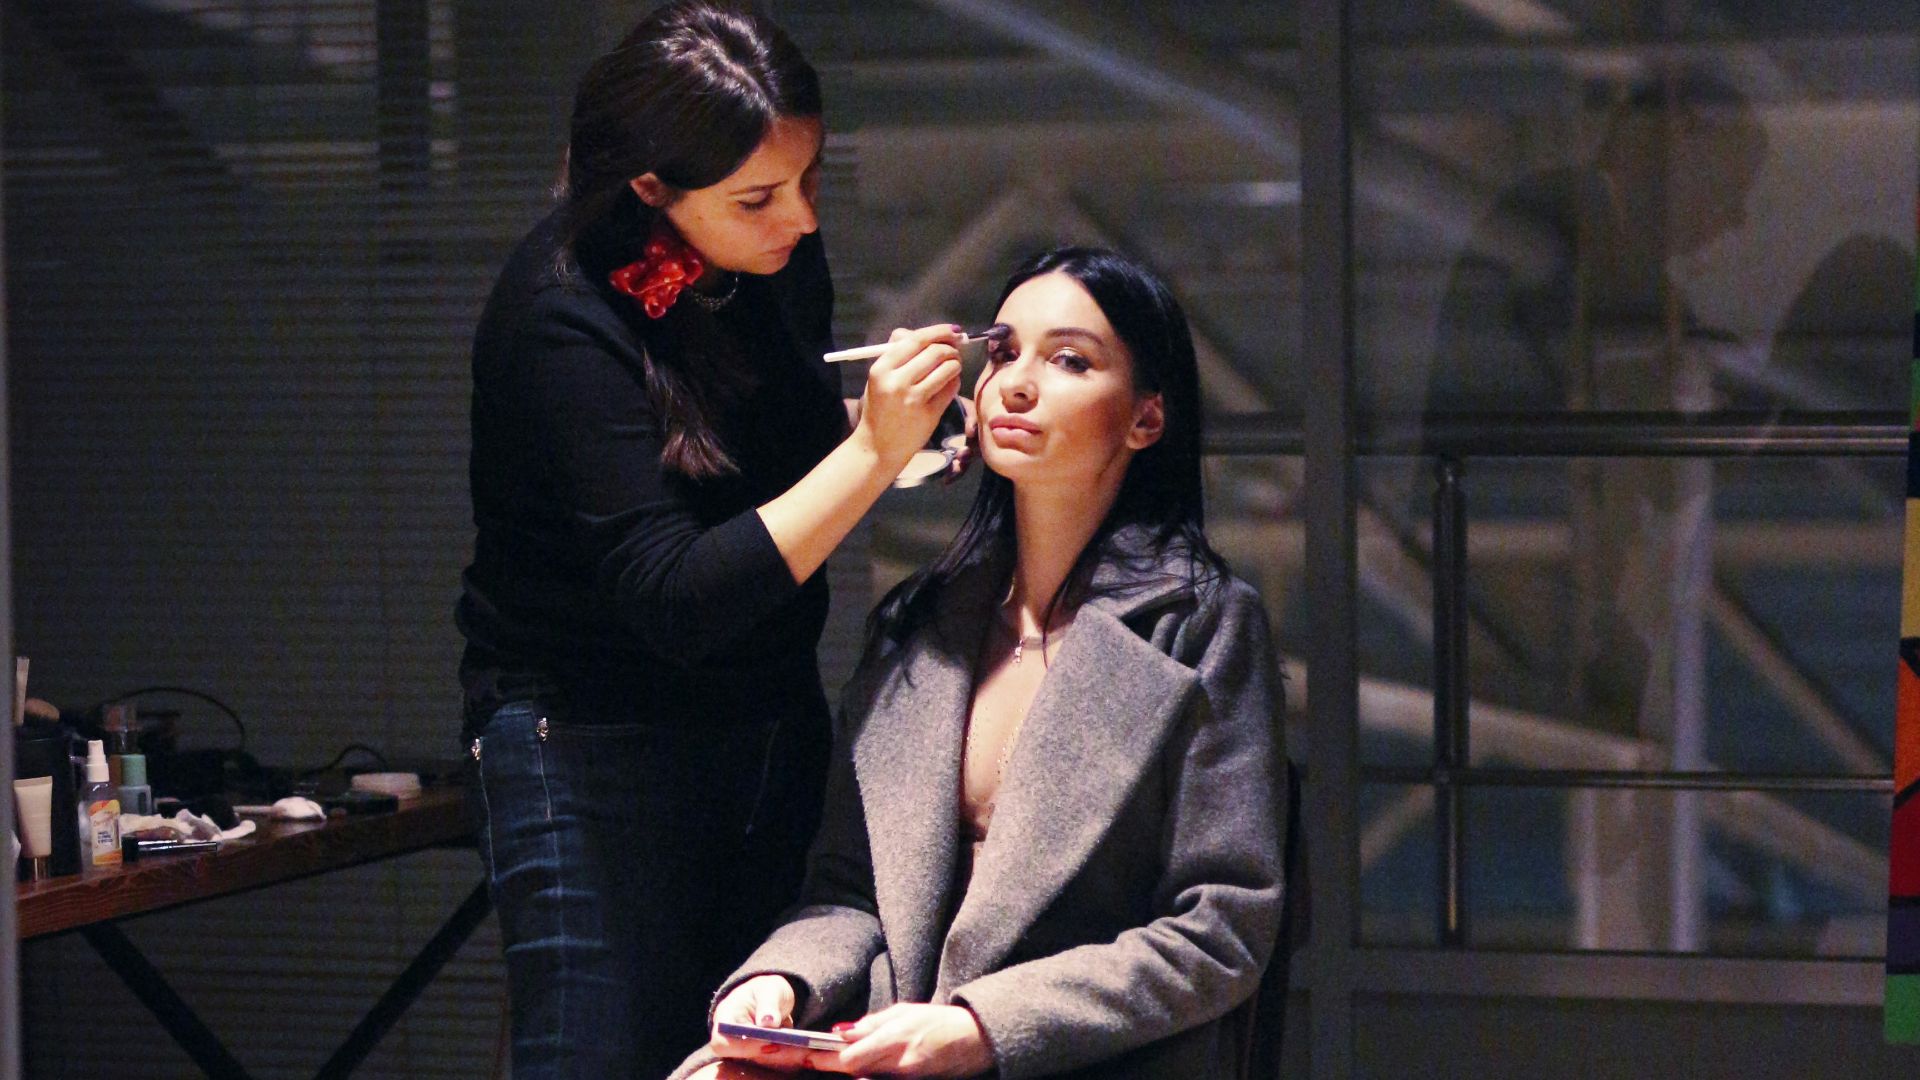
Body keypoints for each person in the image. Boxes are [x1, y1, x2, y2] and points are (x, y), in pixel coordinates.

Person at [454, 3, 969, 1076]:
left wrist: (906, 443)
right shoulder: (559, 315)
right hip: (588, 737)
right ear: (650, 189)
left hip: (765, 721)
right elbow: (676, 596)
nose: (801, 220)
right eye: (759, 197)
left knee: (755, 1055)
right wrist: (871, 454)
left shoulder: (772, 261)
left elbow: (774, 463)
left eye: (811, 177)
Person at [673, 247, 1291, 1080]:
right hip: (886, 1047)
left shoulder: (1205, 625)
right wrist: (781, 982)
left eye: (1069, 360)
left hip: (1078, 1055)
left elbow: (1219, 930)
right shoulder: (918, 621)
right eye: (1002, 352)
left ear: (1147, 418)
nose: (1019, 383)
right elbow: (848, 891)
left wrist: (982, 1030)